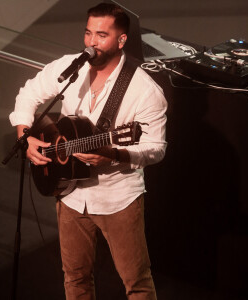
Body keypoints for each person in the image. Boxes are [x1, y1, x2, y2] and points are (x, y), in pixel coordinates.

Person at [9, 2, 167, 299]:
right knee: (75, 277)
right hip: (70, 193)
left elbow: (156, 148)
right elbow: (29, 93)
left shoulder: (145, 90)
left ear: (121, 40)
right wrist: (25, 134)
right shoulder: (72, 68)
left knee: (137, 284)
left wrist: (115, 153)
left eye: (101, 35)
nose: (91, 43)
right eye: (88, 33)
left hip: (117, 197)